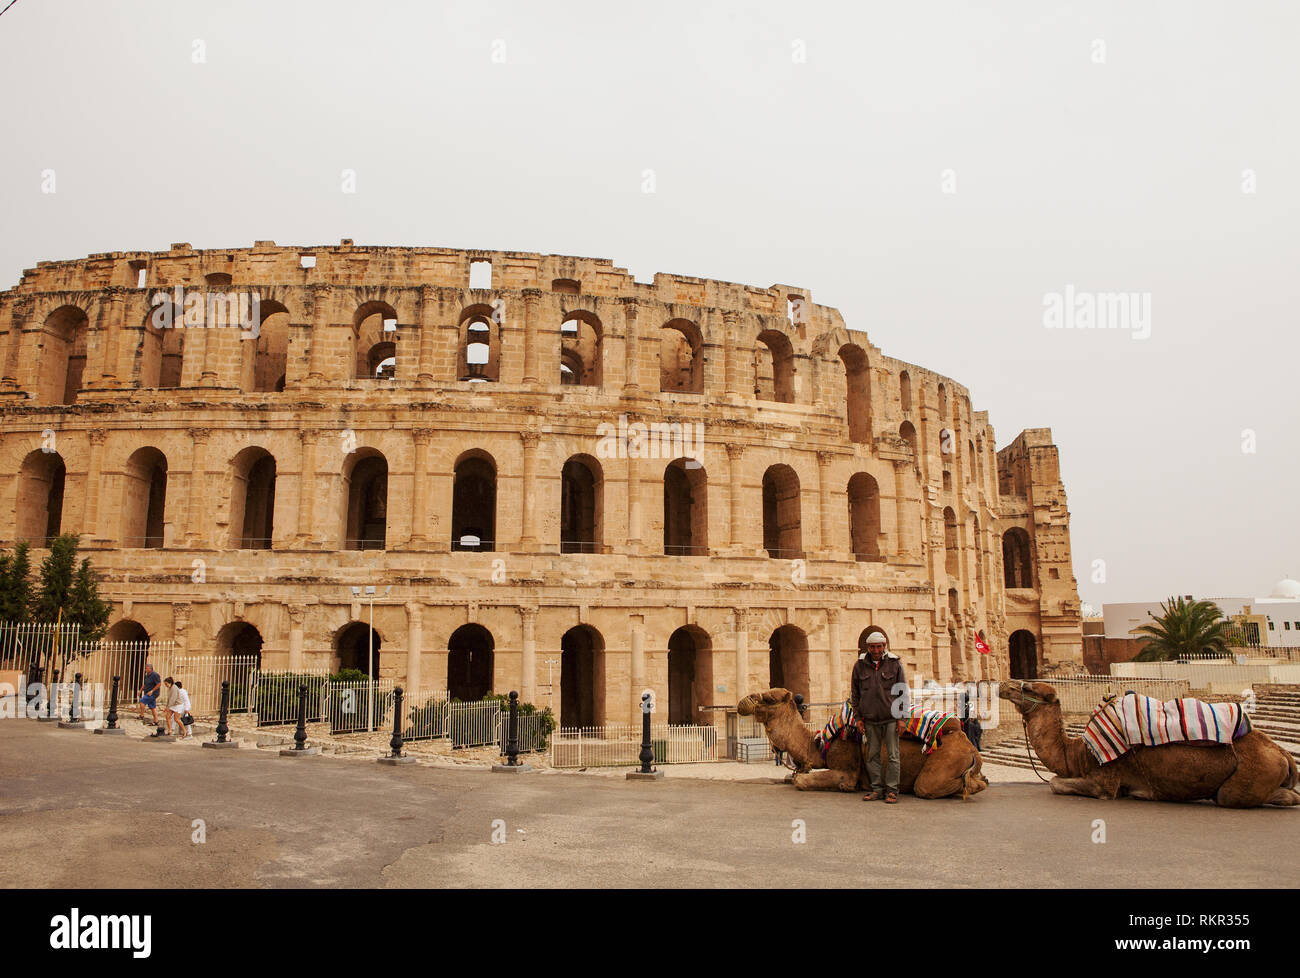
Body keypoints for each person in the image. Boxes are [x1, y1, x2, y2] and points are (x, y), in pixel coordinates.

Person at [852, 630, 909, 803]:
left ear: (884, 647)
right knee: (872, 755)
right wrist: (857, 718)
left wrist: (902, 718)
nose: (876, 650)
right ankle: (876, 788)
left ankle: (892, 790)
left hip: (891, 717)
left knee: (893, 755)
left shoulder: (894, 664)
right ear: (867, 647)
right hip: (869, 718)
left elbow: (903, 693)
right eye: (872, 647)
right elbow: (855, 694)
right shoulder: (859, 666)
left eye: (879, 646)